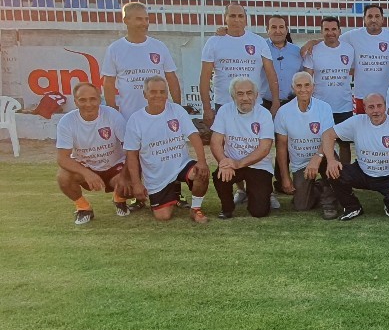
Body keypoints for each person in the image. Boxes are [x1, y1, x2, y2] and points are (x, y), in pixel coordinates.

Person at [124, 75, 211, 223]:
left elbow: (194, 135)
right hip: (157, 175)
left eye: (162, 91)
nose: (158, 95)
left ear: (167, 94)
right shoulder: (136, 120)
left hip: (181, 164)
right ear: (145, 94)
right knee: (163, 216)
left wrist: (202, 161)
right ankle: (172, 193)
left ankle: (195, 209)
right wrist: (137, 183)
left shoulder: (176, 110)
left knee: (200, 173)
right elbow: (131, 155)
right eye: (153, 92)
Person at [56, 82, 135, 225]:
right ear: (75, 102)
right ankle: (83, 208)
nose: (88, 104)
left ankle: (119, 198)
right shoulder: (67, 122)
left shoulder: (112, 115)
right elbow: (62, 158)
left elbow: (131, 149)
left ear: (99, 99)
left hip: (114, 166)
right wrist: (87, 173)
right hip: (86, 166)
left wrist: (126, 176)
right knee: (63, 177)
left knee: (132, 180)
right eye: (82, 100)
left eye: (92, 99)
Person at [330, 93, 389, 219]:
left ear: (385, 106)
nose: (376, 111)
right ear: (365, 108)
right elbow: (328, 134)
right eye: (371, 107)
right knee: (334, 173)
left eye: (379, 106)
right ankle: (352, 207)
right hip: (362, 172)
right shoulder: (357, 121)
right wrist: (331, 160)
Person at [274, 72, 341, 218]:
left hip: (324, 155)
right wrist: (285, 177)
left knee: (333, 165)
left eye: (307, 85)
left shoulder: (324, 107)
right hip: (300, 163)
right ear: (293, 88)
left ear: (313, 87)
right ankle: (321, 186)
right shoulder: (283, 112)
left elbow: (329, 138)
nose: (303, 89)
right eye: (299, 86)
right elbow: (281, 147)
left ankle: (329, 202)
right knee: (301, 206)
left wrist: (317, 157)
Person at [199, 3, 280, 125]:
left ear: (245, 19)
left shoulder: (258, 41)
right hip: (224, 104)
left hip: (254, 104)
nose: (237, 20)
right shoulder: (213, 42)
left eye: (240, 16)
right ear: (225, 18)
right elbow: (204, 77)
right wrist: (206, 107)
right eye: (232, 16)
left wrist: (276, 102)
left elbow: (271, 74)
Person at [101, 2, 182, 121]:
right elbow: (108, 83)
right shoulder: (115, 49)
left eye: (146, 19)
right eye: (139, 19)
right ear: (126, 20)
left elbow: (172, 78)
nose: (144, 23)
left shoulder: (159, 46)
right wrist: (113, 112)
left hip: (159, 116)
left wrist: (177, 108)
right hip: (128, 116)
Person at [210, 77, 275, 219]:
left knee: (259, 212)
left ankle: (263, 194)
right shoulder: (224, 111)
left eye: (249, 93)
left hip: (258, 165)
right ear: (233, 96)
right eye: (240, 94)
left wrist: (238, 163)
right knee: (220, 175)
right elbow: (215, 142)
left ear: (256, 95)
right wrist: (223, 162)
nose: (245, 98)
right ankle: (227, 208)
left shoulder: (264, 114)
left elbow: (264, 149)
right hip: (232, 164)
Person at [302, 16, 354, 166]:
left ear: (340, 31)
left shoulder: (349, 49)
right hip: (321, 106)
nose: (330, 33)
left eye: (333, 29)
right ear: (321, 31)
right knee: (320, 141)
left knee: (344, 144)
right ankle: (323, 169)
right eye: (326, 29)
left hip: (343, 105)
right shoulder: (313, 50)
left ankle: (344, 173)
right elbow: (307, 77)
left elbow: (354, 71)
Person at [263, 14, 303, 107]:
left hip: (291, 104)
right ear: (267, 29)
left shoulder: (297, 51)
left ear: (286, 30)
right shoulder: (260, 48)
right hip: (265, 104)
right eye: (274, 27)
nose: (278, 31)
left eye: (281, 27)